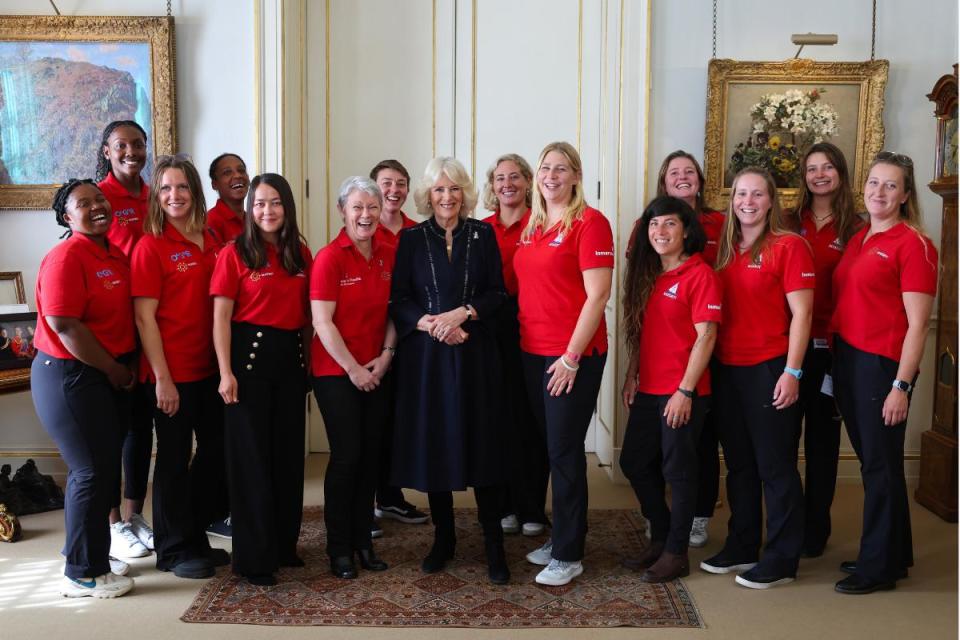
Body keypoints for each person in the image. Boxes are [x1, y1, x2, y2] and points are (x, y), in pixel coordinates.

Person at [389, 157, 509, 584]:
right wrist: (435, 325)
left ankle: (494, 543)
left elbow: (498, 293)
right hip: (428, 360)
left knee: (483, 446)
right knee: (436, 446)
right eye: (439, 190)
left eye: (454, 189)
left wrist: (463, 315)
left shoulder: (485, 234)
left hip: (476, 355)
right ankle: (445, 539)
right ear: (427, 196)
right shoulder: (411, 239)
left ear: (465, 194)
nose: (447, 197)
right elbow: (399, 300)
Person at [700, 167, 814, 590]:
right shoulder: (725, 249)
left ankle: (782, 558)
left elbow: (802, 314)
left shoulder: (789, 246)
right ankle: (743, 544)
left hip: (770, 368)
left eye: (757, 194)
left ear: (771, 201)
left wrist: (792, 371)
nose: (747, 201)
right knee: (741, 466)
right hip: (728, 369)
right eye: (740, 194)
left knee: (775, 466)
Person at [831, 152, 938, 594]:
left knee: (878, 466)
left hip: (881, 367)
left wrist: (901, 386)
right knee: (881, 463)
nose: (879, 192)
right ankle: (893, 554)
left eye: (890, 185)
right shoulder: (858, 237)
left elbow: (918, 325)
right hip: (850, 358)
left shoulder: (913, 244)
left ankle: (876, 568)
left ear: (906, 195)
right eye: (874, 183)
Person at [514, 141, 614, 586]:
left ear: (576, 175)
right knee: (549, 448)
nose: (551, 176)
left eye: (561, 169)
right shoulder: (534, 225)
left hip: (571, 356)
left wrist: (571, 358)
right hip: (532, 352)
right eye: (545, 169)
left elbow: (598, 296)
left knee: (565, 452)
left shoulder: (591, 224)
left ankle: (570, 553)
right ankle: (563, 537)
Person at [31, 179, 136, 598]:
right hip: (69, 374)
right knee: (90, 471)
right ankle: (81, 571)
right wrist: (113, 369)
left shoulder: (111, 253)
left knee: (103, 467)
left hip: (102, 375)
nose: (96, 207)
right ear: (66, 216)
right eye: (83, 203)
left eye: (100, 200)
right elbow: (64, 324)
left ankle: (91, 551)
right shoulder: (66, 256)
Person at [131, 155, 228, 579]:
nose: (175, 196)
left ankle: (194, 534)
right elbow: (143, 318)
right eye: (166, 188)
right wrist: (163, 379)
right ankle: (172, 550)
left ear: (195, 191)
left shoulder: (211, 239)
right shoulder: (150, 245)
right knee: (172, 460)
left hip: (211, 369)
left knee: (217, 454)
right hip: (173, 374)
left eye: (182, 187)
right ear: (156, 195)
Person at [211, 173, 311, 586]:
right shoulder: (234, 253)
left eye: (275, 203)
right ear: (250, 211)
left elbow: (307, 316)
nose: (267, 211)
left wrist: (307, 368)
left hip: (290, 361)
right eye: (259, 204)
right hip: (247, 364)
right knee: (252, 463)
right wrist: (225, 373)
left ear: (287, 207)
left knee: (287, 459)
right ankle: (254, 558)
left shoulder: (300, 253)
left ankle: (284, 546)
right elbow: (220, 318)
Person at [619, 196, 721, 582]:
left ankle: (677, 553)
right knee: (635, 461)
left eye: (669, 224)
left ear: (686, 230)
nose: (660, 232)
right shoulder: (652, 276)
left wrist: (685, 391)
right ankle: (661, 537)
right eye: (653, 225)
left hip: (682, 391)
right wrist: (633, 374)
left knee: (678, 471)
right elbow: (644, 334)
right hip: (650, 389)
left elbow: (706, 336)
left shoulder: (700, 274)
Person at [310, 176, 395, 579]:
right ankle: (338, 548)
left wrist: (386, 356)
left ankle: (364, 541)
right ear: (342, 211)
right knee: (347, 457)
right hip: (335, 371)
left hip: (377, 369)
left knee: (371, 458)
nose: (365, 215)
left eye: (372, 207)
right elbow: (322, 323)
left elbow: (396, 311)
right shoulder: (329, 258)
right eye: (357, 207)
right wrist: (354, 369)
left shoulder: (389, 252)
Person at [792, 142, 861, 558]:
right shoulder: (788, 221)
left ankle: (815, 529)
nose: (819, 175)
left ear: (841, 173)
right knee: (782, 441)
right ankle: (789, 521)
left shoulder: (855, 226)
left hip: (830, 350)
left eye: (827, 167)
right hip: (789, 348)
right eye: (811, 168)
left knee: (821, 443)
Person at [653, 151, 725, 549]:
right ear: (664, 182)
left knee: (703, 436)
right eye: (673, 172)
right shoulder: (650, 223)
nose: (682, 178)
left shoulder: (720, 222)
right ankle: (674, 515)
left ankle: (699, 515)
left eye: (689, 172)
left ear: (699, 179)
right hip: (669, 341)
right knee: (669, 444)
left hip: (712, 334)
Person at [95, 120, 155, 559]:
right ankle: (112, 523)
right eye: (122, 146)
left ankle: (134, 516)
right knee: (111, 431)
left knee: (141, 427)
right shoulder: (99, 198)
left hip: (148, 324)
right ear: (107, 151)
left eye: (138, 144)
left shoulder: (153, 194)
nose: (131, 151)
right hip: (113, 328)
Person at [480, 153, 548, 537]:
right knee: (496, 418)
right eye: (499, 178)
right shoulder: (482, 229)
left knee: (531, 420)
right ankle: (503, 504)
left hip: (532, 329)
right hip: (491, 331)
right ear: (492, 186)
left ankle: (532, 507)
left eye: (515, 177)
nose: (507, 184)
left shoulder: (540, 225)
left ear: (528, 182)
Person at [367, 159, 428, 531]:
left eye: (401, 183)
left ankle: (390, 497)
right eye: (386, 183)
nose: (394, 190)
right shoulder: (363, 228)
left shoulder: (417, 233)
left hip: (408, 339)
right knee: (372, 423)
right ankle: (367, 499)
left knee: (399, 421)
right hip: (369, 342)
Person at [206, 153, 251, 242]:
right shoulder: (209, 222)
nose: (238, 175)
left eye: (241, 170)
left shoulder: (253, 220)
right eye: (227, 172)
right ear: (214, 184)